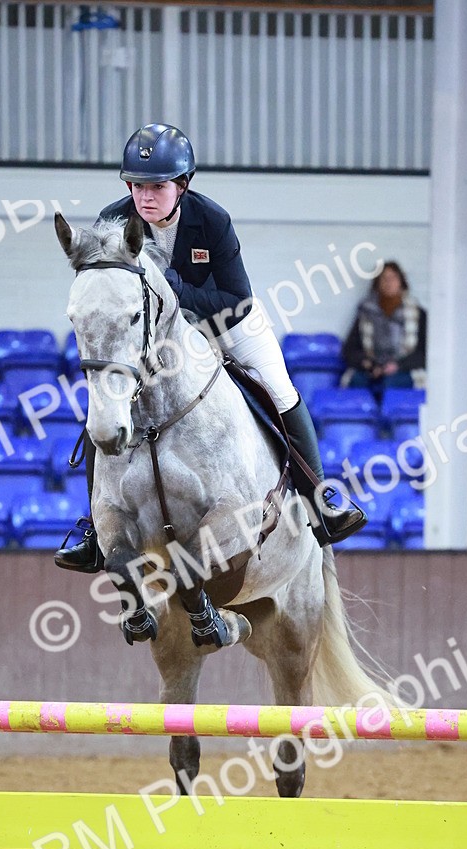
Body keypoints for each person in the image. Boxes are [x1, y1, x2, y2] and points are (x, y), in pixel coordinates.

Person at [55, 123, 365, 573]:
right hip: (157, 338)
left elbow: (237, 300)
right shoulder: (114, 222)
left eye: (157, 186)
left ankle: (319, 500)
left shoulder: (212, 220)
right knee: (107, 405)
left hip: (227, 326)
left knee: (279, 389)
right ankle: (94, 531)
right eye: (137, 185)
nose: (145, 196)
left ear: (182, 185)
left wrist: (176, 295)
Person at [341, 261, 426, 393]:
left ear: (401, 282)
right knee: (357, 381)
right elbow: (350, 349)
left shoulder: (417, 313)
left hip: (404, 369)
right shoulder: (366, 312)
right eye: (384, 278)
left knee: (392, 384)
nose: (388, 282)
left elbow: (423, 353)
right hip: (372, 369)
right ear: (377, 283)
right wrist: (368, 364)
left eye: (393, 278)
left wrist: (398, 365)